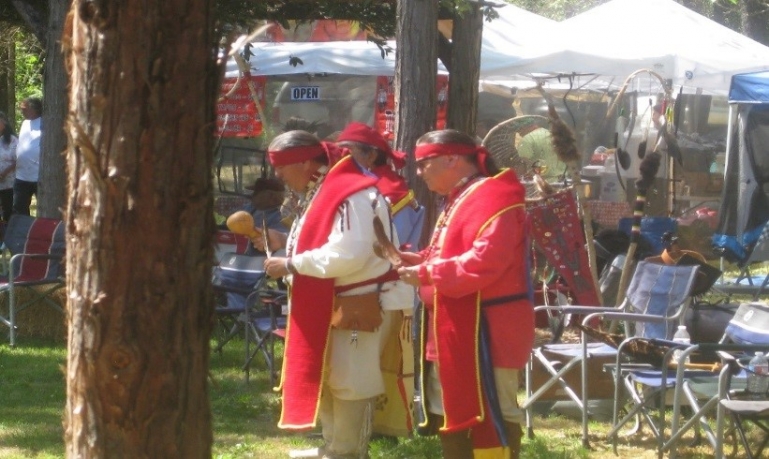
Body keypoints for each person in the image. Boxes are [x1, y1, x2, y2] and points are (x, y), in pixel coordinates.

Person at [258, 130, 401, 459]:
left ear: (306, 162)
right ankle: (333, 446)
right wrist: (286, 246)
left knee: (352, 377)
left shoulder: (350, 195)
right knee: (332, 375)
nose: (277, 174)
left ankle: (347, 451)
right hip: (335, 305)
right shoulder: (326, 190)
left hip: (357, 309)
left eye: (281, 167)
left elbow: (351, 253)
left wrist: (292, 264)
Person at [396, 129, 534, 459]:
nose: (418, 172)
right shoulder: (463, 196)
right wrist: (420, 260)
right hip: (456, 323)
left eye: (424, 163)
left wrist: (429, 272)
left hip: (488, 326)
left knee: (494, 408)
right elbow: (452, 253)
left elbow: (487, 261)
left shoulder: (493, 197)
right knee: (451, 405)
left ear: (452, 159)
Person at [336, 122, 423, 438]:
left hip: (372, 298)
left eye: (348, 151)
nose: (340, 156)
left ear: (371, 155)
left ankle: (357, 434)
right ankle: (363, 428)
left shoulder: (381, 192)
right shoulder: (369, 187)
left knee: (358, 358)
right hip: (371, 295)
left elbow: (375, 249)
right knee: (362, 360)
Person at [14, 97, 42, 216]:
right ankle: (23, 233)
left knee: (43, 209)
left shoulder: (45, 122)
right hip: (21, 176)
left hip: (38, 176)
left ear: (34, 109)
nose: (22, 112)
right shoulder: (25, 123)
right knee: (19, 209)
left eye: (24, 109)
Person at [0, 112, 17, 223]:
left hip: (8, 183)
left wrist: (4, 173)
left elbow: (18, 160)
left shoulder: (12, 140)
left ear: (4, 123)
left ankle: (7, 237)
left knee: (8, 211)